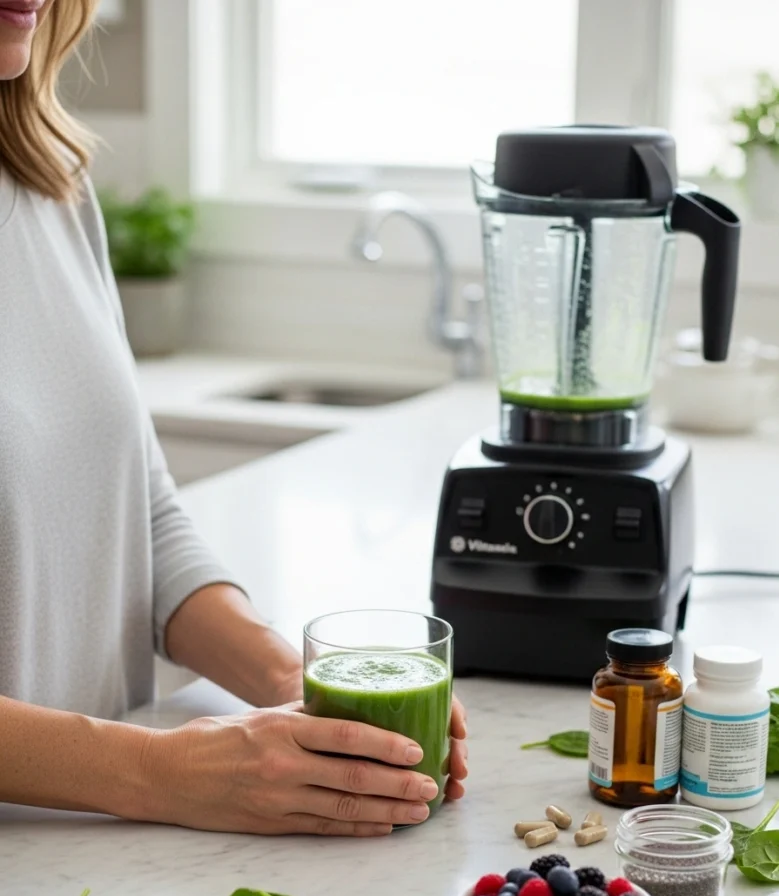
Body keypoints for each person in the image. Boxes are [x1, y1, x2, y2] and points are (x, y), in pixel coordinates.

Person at [0, 0, 467, 836]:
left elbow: (141, 518)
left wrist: (304, 690)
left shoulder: (48, 185)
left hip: (84, 863)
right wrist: (155, 771)